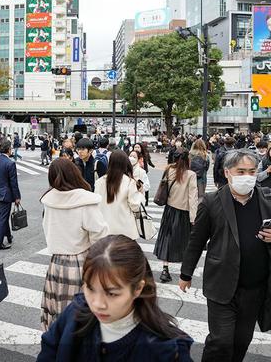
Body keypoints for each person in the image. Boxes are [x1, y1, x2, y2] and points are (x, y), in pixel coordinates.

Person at [179, 149, 271, 362]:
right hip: (221, 284)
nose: (247, 177)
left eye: (252, 171)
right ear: (227, 172)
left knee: (242, 340)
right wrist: (186, 273)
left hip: (255, 286)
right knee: (220, 341)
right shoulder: (212, 202)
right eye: (241, 171)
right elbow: (196, 240)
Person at [38, 235, 194, 362]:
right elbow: (49, 349)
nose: (98, 304)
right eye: (90, 289)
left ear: (137, 289)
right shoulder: (75, 312)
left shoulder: (167, 351)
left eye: (112, 293)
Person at [39, 158, 108, 331]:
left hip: (56, 263)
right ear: (74, 173)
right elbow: (101, 236)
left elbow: (48, 229)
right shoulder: (85, 201)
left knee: (58, 312)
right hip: (82, 261)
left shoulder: (49, 200)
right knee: (80, 313)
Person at [154, 148, 198, 283]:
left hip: (169, 210)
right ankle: (184, 271)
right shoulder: (190, 174)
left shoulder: (169, 170)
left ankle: (165, 269)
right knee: (184, 242)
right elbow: (193, 198)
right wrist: (193, 218)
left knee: (167, 239)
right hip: (183, 212)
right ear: (186, 159)